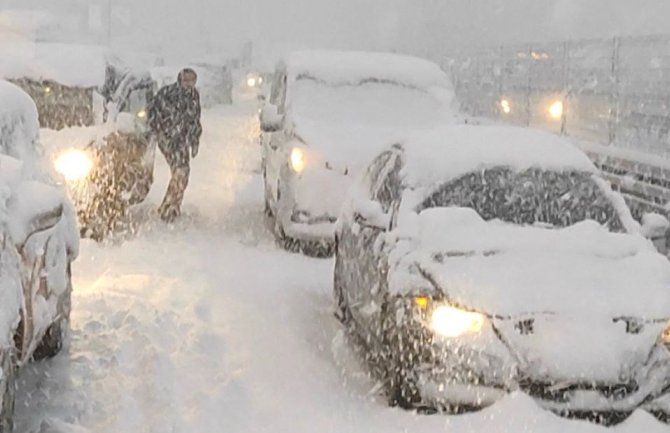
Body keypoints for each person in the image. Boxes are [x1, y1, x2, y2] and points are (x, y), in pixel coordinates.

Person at [148, 68, 202, 222]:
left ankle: (173, 205)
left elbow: (196, 119)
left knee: (183, 173)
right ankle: (168, 207)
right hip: (168, 139)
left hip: (183, 140)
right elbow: (153, 112)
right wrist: (159, 131)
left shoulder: (194, 96)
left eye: (192, 81)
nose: (189, 84)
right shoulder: (167, 94)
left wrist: (195, 140)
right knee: (180, 171)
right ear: (180, 79)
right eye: (186, 80)